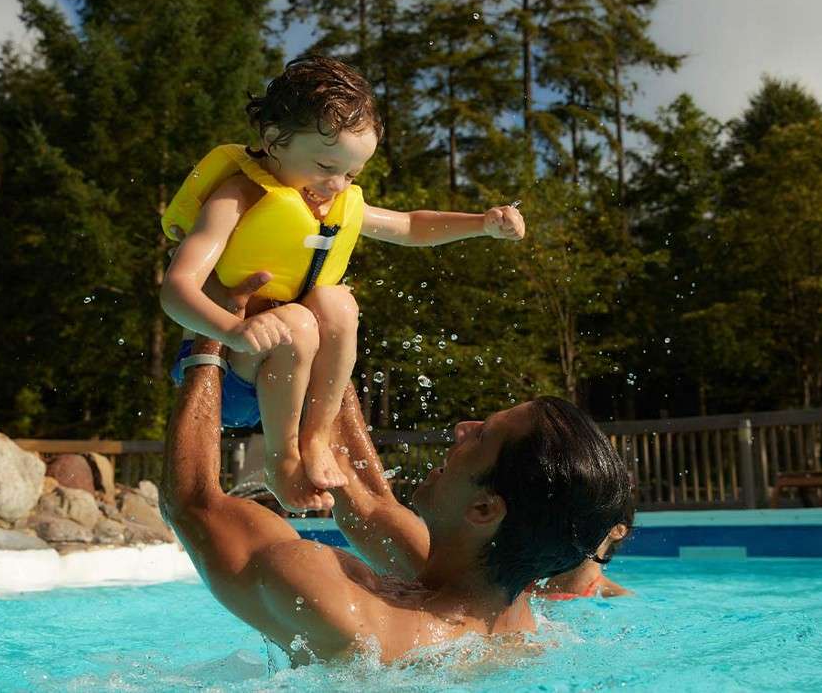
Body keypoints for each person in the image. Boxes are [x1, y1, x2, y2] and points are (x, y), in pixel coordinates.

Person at [159, 273, 631, 665]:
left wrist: (210, 332)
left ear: (485, 508)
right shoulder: (512, 623)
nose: (462, 428)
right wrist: (327, 327)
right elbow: (368, 503)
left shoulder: (341, 607)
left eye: (482, 436)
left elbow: (196, 505)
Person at [159, 55, 525, 513]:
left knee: (338, 303)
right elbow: (176, 289)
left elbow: (411, 226)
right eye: (325, 166)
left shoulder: (334, 202)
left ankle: (314, 438)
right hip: (230, 376)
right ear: (274, 142)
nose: (337, 185)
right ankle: (281, 461)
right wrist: (231, 329)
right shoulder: (237, 197)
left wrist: (481, 223)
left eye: (351, 174)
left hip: (297, 373)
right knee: (296, 320)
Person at [532, 495, 634, 600]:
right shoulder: (526, 586)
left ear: (617, 531)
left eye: (588, 513)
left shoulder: (618, 598)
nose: (572, 520)